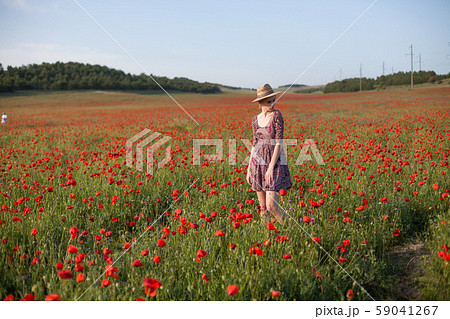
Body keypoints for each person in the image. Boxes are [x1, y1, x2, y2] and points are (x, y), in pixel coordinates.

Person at [246, 84, 293, 226]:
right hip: (257, 162)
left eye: (274, 100)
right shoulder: (255, 120)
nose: (272, 104)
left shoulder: (276, 116)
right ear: (260, 103)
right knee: (263, 208)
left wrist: (271, 167)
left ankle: (289, 229)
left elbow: (278, 143)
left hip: (275, 161)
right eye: (269, 101)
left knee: (272, 206)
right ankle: (267, 236)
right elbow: (254, 144)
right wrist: (249, 168)